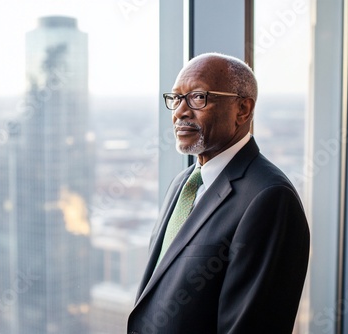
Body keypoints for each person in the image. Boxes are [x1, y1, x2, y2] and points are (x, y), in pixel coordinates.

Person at [127, 52, 310, 334]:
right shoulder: (183, 183)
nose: (180, 112)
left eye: (198, 97)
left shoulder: (270, 198)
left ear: (243, 109)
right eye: (176, 98)